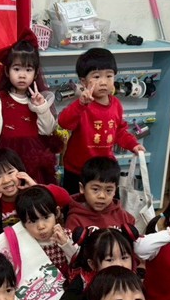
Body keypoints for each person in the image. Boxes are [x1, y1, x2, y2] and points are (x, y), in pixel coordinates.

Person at [58, 47, 143, 194]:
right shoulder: (81, 105)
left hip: (104, 170)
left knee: (106, 204)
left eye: (109, 76)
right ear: (83, 82)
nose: (103, 82)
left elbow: (120, 131)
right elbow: (64, 122)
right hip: (77, 170)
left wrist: (133, 145)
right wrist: (80, 105)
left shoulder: (116, 104)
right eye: (96, 77)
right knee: (74, 204)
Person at [0, 34, 60, 185]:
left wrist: (41, 107)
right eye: (16, 69)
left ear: (35, 73)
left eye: (28, 70)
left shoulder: (39, 101)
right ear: (7, 71)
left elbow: (48, 130)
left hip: (34, 166)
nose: (22, 75)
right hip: (8, 167)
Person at [0, 148, 70, 242]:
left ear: (20, 171)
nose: (6, 180)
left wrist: (36, 187)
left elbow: (65, 199)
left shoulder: (31, 193)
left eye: (10, 172)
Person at [16, 185, 78, 278]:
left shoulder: (66, 235)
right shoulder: (25, 245)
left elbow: (77, 262)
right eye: (32, 221)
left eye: (46, 217)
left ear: (56, 212)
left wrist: (66, 244)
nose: (41, 226)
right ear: (23, 224)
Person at [65, 157, 136, 233]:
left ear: (115, 190)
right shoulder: (75, 219)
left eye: (108, 190)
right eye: (95, 189)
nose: (102, 196)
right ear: (82, 188)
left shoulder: (122, 215)